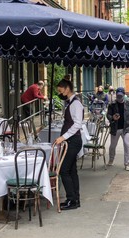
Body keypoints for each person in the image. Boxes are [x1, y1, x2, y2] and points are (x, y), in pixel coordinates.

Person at [54, 76, 83, 210]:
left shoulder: (75, 104)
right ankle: (74, 199)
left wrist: (63, 137)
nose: (60, 94)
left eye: (61, 91)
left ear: (67, 89)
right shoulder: (71, 103)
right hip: (71, 140)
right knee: (71, 170)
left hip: (73, 141)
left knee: (64, 170)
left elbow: (77, 124)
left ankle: (72, 199)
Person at [106, 87, 129, 171]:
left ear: (124, 95)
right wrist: (112, 117)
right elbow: (108, 115)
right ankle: (111, 159)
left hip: (125, 128)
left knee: (127, 145)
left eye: (121, 95)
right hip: (115, 128)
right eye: (118, 96)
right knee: (112, 146)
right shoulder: (112, 104)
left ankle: (127, 163)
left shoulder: (128, 103)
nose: (119, 97)